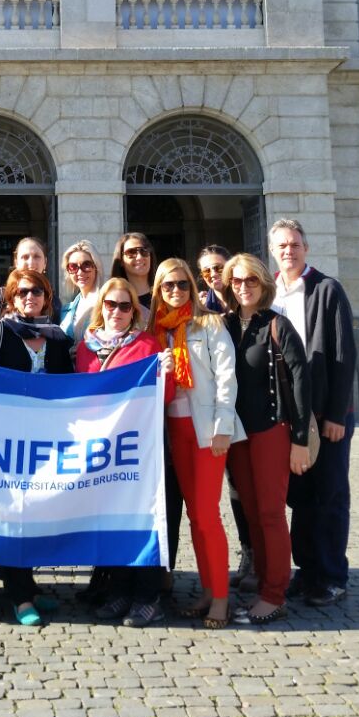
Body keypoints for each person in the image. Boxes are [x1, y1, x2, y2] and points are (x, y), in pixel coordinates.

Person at [148, 257, 243, 628]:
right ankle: (207, 590)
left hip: (206, 431)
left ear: (193, 286)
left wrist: (223, 427)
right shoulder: (155, 330)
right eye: (168, 286)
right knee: (193, 516)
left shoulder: (210, 323)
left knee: (207, 515)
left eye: (182, 284)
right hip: (174, 432)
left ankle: (221, 599)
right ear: (158, 291)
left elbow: (226, 378)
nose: (175, 291)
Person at [75, 277, 173, 627]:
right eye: (110, 305)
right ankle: (118, 590)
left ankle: (147, 596)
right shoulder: (85, 346)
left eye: (125, 306)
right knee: (110, 520)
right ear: (100, 307)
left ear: (135, 310)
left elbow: (165, 396)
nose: (116, 312)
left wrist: (167, 374)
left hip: (137, 448)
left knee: (141, 518)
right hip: (100, 447)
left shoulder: (147, 345)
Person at [270, 218, 358, 606]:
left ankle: (332, 575)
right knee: (302, 497)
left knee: (330, 494)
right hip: (290, 413)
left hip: (325, 413)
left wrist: (336, 414)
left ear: (306, 248)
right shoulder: (269, 291)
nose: (289, 251)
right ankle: (307, 572)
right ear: (272, 250)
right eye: (282, 246)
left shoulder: (327, 289)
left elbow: (343, 354)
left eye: (295, 244)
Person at [0, 268, 73, 625]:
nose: (29, 298)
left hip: (47, 439)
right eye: (21, 293)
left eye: (36, 292)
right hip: (7, 439)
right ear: (11, 299)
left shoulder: (58, 337)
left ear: (46, 297)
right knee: (11, 513)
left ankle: (29, 585)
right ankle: (18, 596)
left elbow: (70, 386)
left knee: (34, 512)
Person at [222, 253, 311, 624]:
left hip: (271, 429)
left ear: (264, 284)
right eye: (237, 281)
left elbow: (302, 382)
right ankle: (262, 584)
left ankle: (275, 594)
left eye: (251, 281)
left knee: (271, 513)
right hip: (237, 434)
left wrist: (301, 440)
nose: (244, 287)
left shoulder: (277, 325)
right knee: (251, 513)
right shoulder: (223, 324)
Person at [197, 243, 255, 594]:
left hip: (249, 413)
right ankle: (248, 553)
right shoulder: (204, 308)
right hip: (220, 412)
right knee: (233, 491)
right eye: (205, 271)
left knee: (248, 490)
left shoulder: (247, 306)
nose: (213, 276)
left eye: (218, 268)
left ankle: (258, 559)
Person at [0, 237, 59, 343]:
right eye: (25, 257)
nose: (31, 262)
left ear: (45, 262)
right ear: (16, 262)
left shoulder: (54, 302)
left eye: (36, 257)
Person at [60, 240, 103, 349]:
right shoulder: (65, 310)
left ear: (96, 267)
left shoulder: (108, 305)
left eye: (87, 265)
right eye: (73, 267)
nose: (80, 272)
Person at [110, 231, 156, 311]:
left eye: (144, 251)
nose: (139, 257)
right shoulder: (113, 300)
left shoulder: (165, 295)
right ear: (121, 260)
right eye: (131, 252)